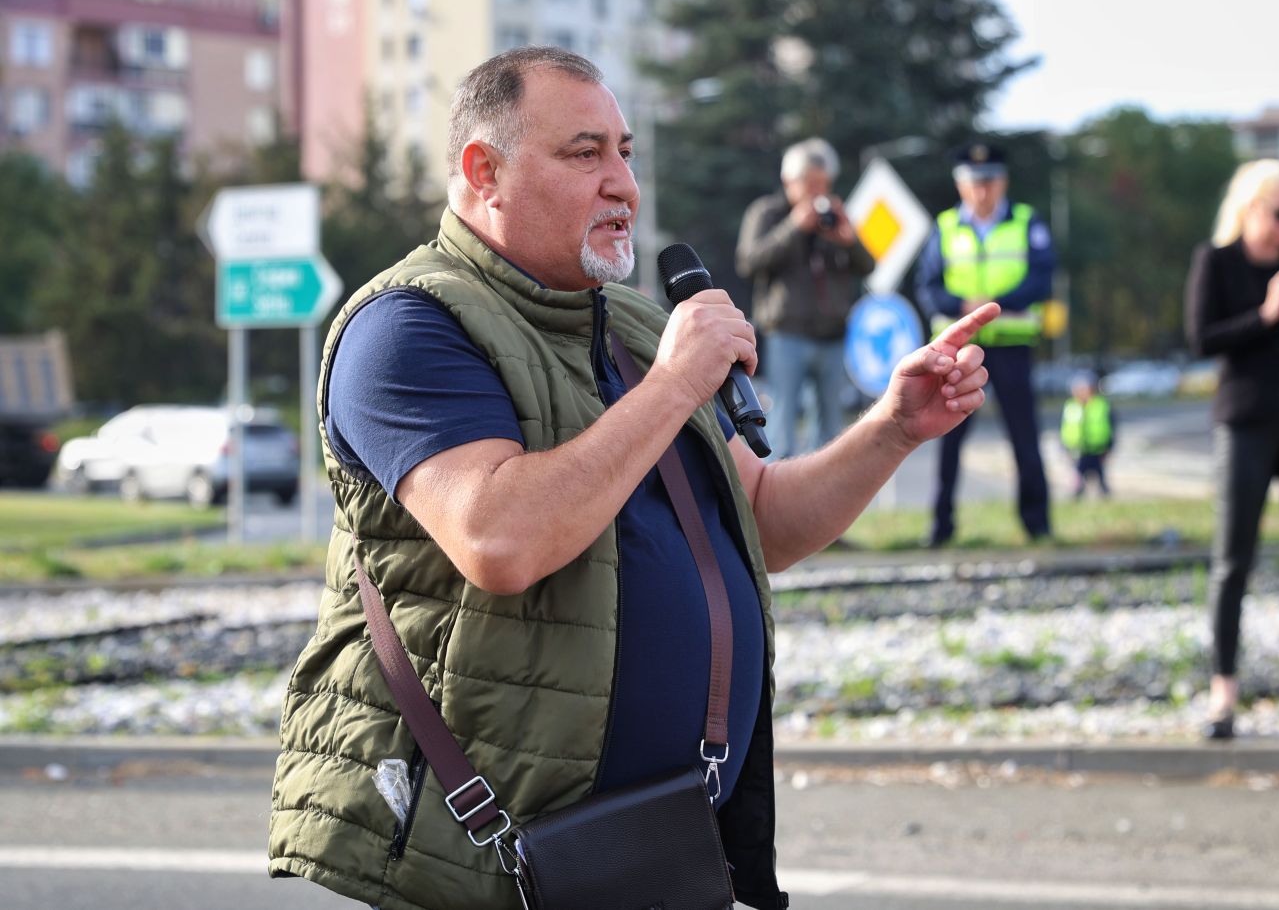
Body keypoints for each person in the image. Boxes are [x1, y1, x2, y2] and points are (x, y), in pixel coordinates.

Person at [267, 47, 996, 910]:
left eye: (626, 152)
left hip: (651, 844)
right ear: (483, 170)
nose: (623, 184)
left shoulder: (637, 329)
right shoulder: (407, 327)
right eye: (586, 154)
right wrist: (678, 382)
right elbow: (501, 539)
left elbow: (758, 520)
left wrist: (892, 429)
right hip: (474, 861)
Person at [916, 141, 1056, 547]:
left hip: (1012, 345)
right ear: (960, 185)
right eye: (974, 183)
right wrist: (963, 307)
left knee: (1025, 438)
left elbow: (1042, 278)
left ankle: (1038, 525)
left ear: (1003, 182)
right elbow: (927, 286)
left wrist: (993, 306)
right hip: (956, 352)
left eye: (990, 181)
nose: (982, 191)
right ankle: (940, 527)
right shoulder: (943, 227)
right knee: (948, 439)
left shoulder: (1026, 221)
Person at [1184, 158, 1279, 741]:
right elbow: (1201, 338)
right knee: (1232, 563)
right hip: (1244, 424)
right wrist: (1265, 316)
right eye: (1276, 212)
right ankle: (1223, 690)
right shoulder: (1215, 261)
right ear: (1249, 208)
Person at [736, 137, 876, 459]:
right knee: (782, 421)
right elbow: (749, 261)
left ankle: (821, 495)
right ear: (790, 181)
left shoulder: (835, 216)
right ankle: (773, 492)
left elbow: (868, 266)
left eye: (823, 184)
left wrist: (848, 241)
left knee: (829, 430)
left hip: (832, 335)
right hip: (787, 333)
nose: (818, 192)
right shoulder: (768, 213)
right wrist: (794, 227)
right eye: (810, 184)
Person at [1059, 372, 1115, 498]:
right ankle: (1077, 494)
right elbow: (1064, 427)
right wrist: (1064, 446)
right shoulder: (1070, 405)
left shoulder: (1101, 405)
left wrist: (1110, 446)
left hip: (1098, 447)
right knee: (1078, 475)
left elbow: (1111, 426)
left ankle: (1104, 495)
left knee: (1099, 474)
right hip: (1077, 448)